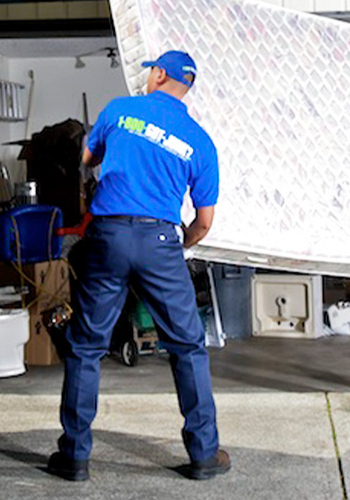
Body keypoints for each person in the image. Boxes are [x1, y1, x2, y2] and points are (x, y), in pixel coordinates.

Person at [47, 50, 229, 482]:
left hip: (107, 236)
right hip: (161, 240)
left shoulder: (120, 110)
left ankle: (74, 456)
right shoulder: (200, 141)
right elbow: (203, 223)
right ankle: (203, 456)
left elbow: (87, 161)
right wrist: (172, 245)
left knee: (87, 346)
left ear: (160, 74)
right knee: (187, 347)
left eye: (151, 70)